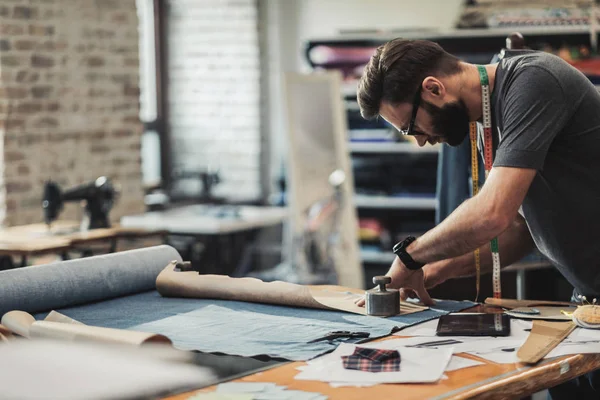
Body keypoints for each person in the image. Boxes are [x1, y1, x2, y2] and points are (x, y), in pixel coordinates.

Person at [353, 38, 600, 399]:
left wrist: (409, 256)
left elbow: (491, 214)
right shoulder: (492, 117)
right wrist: (434, 274)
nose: (420, 142)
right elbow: (518, 230)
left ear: (434, 88)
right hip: (589, 302)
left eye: (411, 127)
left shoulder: (534, 81)